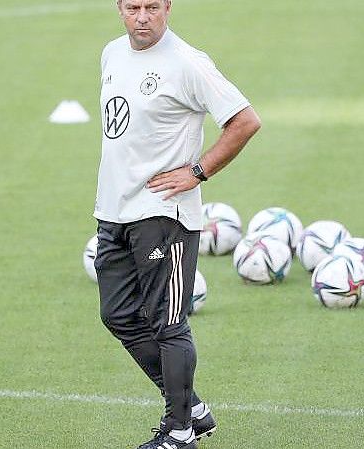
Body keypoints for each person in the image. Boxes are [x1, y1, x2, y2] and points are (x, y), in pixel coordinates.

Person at [93, 0, 261, 448]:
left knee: (169, 324)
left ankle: (180, 430)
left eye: (152, 6)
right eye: (133, 6)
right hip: (112, 210)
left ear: (168, 7)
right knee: (117, 314)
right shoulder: (111, 53)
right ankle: (194, 408)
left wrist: (197, 172)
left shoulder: (188, 63)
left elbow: (245, 121)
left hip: (164, 215)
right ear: (119, 8)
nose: (142, 16)